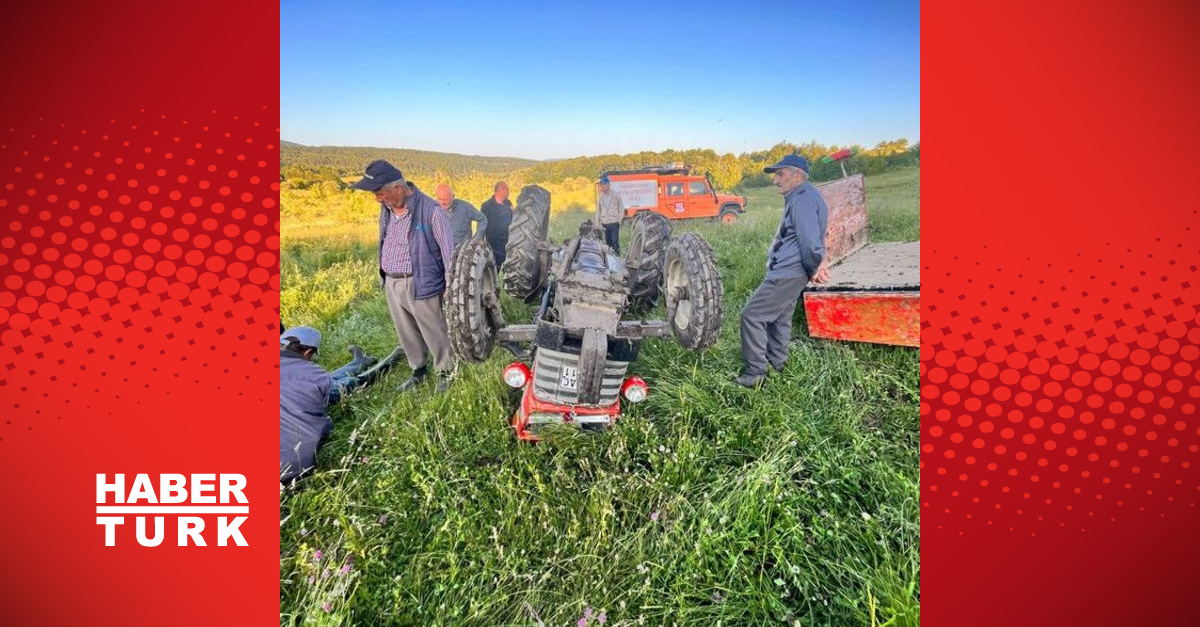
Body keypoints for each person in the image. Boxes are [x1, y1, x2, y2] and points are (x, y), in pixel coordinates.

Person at [351, 160, 457, 393]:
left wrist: (450, 285)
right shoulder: (386, 209)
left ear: (397, 187)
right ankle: (418, 370)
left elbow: (449, 252)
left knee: (434, 329)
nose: (377, 199)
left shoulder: (432, 211)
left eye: (380, 193)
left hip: (421, 280)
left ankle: (446, 371)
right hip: (392, 280)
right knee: (405, 330)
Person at [736, 155, 831, 388]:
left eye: (780, 174)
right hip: (793, 271)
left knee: (752, 315)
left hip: (788, 271)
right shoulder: (803, 196)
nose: (775, 180)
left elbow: (810, 242)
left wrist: (813, 268)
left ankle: (755, 373)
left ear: (797, 174)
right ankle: (777, 362)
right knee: (780, 317)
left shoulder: (803, 199)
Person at [279, 326, 399, 482]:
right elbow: (331, 389)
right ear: (308, 352)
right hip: (296, 465)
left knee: (319, 382)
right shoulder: (311, 372)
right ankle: (386, 363)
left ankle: (359, 362)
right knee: (343, 385)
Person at [435, 183, 488, 248]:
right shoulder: (434, 209)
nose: (442, 202)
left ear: (453, 196)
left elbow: (482, 219)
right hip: (442, 250)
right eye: (439, 199)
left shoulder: (465, 207)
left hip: (462, 250)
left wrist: (476, 239)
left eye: (445, 200)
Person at [479, 181, 514, 267]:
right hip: (494, 243)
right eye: (507, 190)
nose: (508, 192)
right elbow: (482, 224)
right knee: (494, 267)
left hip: (508, 242)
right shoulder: (486, 206)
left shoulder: (508, 203)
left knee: (509, 270)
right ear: (500, 190)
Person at [595, 175, 625, 253]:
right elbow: (598, 210)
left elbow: (621, 208)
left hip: (614, 223)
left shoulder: (616, 195)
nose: (601, 186)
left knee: (615, 242)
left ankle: (617, 257)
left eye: (603, 184)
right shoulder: (600, 197)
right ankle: (610, 259)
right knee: (608, 243)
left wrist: (619, 221)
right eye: (601, 185)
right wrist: (598, 223)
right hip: (605, 223)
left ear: (608, 185)